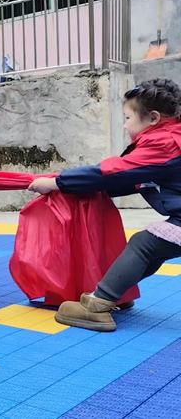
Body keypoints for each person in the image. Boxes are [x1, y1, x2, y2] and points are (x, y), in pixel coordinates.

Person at [28, 79, 181, 332]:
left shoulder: (164, 142)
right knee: (154, 248)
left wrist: (56, 182)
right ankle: (114, 293)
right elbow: (131, 179)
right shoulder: (173, 136)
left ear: (153, 118)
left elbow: (112, 171)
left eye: (127, 118)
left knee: (144, 245)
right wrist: (80, 185)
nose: (125, 125)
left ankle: (97, 306)